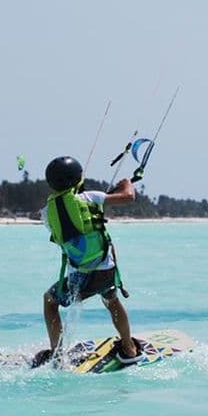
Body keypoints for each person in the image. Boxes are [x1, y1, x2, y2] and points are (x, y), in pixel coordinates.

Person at [38, 156, 141, 366]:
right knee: (111, 301)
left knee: (50, 302)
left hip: (80, 278)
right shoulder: (89, 197)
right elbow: (128, 197)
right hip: (105, 270)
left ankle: (58, 356)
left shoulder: (48, 213)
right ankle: (129, 348)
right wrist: (126, 184)